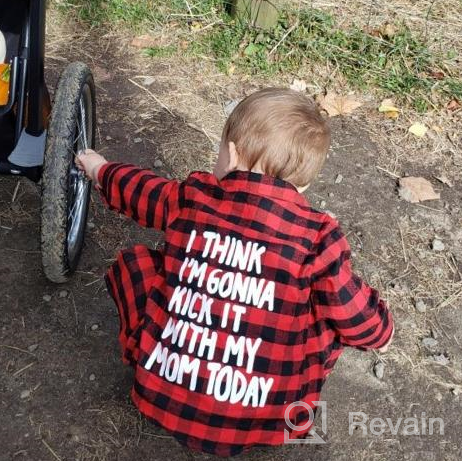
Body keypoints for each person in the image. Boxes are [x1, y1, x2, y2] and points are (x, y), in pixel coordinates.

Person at [76, 87, 394, 457]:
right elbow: (352, 310)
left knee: (137, 263)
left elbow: (141, 192)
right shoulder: (316, 237)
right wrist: (381, 333)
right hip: (269, 418)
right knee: (325, 314)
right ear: (304, 183)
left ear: (231, 152)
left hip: (161, 393)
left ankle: (161, 362)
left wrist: (100, 169)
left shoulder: (193, 198)